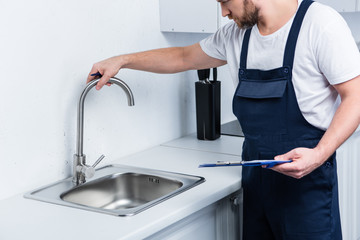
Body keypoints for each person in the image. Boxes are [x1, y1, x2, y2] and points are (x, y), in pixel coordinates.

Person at [87, 0, 360, 239]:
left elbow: (355, 97)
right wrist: (121, 61)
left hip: (307, 185)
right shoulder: (236, 35)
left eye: (226, 1)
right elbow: (182, 57)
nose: (223, 12)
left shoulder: (320, 23)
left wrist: (319, 154)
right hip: (255, 181)